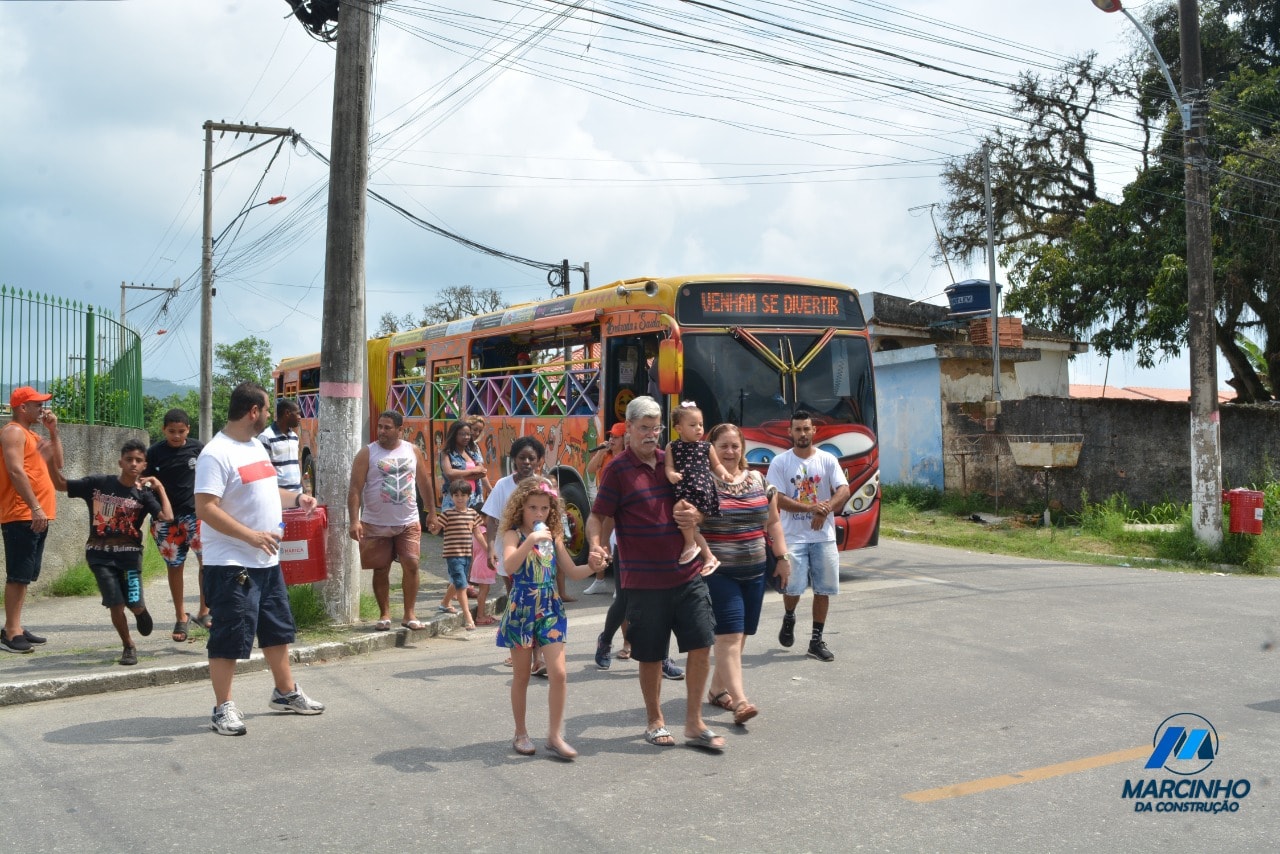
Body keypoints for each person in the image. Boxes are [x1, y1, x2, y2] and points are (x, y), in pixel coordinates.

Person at [587, 395, 725, 752]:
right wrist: (595, 545)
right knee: (649, 654)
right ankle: (655, 720)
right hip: (644, 582)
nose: (651, 434)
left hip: (687, 574)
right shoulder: (618, 470)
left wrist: (697, 517)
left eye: (656, 428)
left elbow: (702, 501)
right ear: (629, 429)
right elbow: (598, 515)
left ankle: (694, 723)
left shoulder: (674, 459)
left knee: (702, 644)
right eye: (644, 428)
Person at [196, 382, 325, 736]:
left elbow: (266, 489)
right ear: (253, 411)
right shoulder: (215, 453)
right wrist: (250, 536)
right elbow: (205, 508)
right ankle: (222, 708)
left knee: (276, 630)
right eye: (266, 409)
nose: (268, 415)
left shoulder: (255, 446)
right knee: (229, 635)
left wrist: (296, 499)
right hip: (232, 563)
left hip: (266, 561)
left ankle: (285, 692)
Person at [498, 476, 596, 759]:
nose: (538, 514)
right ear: (521, 508)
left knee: (560, 673)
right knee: (521, 677)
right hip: (522, 607)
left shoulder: (554, 537)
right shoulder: (514, 535)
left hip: (550, 607)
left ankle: (554, 736)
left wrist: (594, 566)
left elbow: (573, 572)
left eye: (544, 508)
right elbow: (509, 565)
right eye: (532, 508)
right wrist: (530, 540)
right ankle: (521, 732)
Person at [700, 423, 790, 725]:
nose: (729, 451)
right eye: (723, 446)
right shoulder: (703, 482)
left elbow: (773, 522)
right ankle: (740, 701)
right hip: (718, 573)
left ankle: (717, 690)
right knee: (729, 636)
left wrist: (782, 558)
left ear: (742, 449)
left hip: (755, 572)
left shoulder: (758, 480)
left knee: (742, 635)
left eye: (735, 446)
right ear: (712, 449)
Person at [62, 439, 173, 665]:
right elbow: (61, 484)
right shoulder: (99, 484)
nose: (133, 464)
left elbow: (167, 517)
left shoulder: (143, 495)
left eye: (139, 460)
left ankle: (140, 611)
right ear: (120, 462)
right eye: (129, 459)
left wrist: (159, 488)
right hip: (99, 556)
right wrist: (50, 454)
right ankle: (128, 645)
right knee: (116, 603)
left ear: (144, 465)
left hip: (130, 557)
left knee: (134, 604)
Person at [766, 409, 851, 663]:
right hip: (793, 537)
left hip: (823, 537)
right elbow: (777, 497)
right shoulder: (780, 462)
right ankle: (789, 616)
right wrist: (810, 509)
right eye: (798, 429)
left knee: (823, 590)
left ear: (814, 431)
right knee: (792, 588)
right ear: (790, 432)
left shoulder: (827, 460)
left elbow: (844, 490)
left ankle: (816, 640)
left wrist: (825, 509)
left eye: (806, 429)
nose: (802, 433)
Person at [348, 410, 438, 632]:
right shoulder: (367, 453)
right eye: (380, 426)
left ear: (400, 430)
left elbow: (424, 483)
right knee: (381, 569)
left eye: (387, 427)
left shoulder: (412, 451)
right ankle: (384, 614)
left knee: (412, 564)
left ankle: (409, 614)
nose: (382, 431)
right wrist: (354, 521)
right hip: (375, 523)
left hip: (408, 521)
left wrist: (432, 512)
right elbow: (355, 488)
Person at [1, 386, 63, 654]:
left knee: (25, 575)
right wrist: (35, 507)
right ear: (22, 407)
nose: (42, 408)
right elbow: (15, 470)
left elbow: (58, 464)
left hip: (37, 514)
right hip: (22, 513)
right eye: (37, 404)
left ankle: (14, 625)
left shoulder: (34, 435)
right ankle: (10, 632)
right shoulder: (13, 432)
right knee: (18, 575)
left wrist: (53, 432)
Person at [146, 407, 211, 642]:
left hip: (196, 516)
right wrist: (157, 512)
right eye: (171, 431)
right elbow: (145, 485)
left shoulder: (198, 449)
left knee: (207, 563)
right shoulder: (154, 453)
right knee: (175, 567)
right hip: (167, 521)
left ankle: (204, 611)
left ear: (188, 430)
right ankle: (180, 616)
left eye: (181, 431)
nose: (176, 436)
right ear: (163, 429)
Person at [664, 401, 729, 569]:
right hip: (684, 488)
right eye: (693, 425)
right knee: (691, 525)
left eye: (701, 424)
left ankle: (689, 544)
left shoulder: (707, 446)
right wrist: (671, 474)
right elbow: (668, 466)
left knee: (680, 510)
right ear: (679, 428)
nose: (699, 428)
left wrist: (724, 474)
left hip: (701, 489)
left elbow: (717, 465)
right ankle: (709, 557)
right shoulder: (672, 446)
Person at [438, 418, 490, 609]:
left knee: (471, 545)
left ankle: (463, 583)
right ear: (454, 435)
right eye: (463, 434)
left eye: (469, 434)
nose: (467, 437)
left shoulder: (472, 451)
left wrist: (476, 474)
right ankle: (456, 584)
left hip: (474, 501)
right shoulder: (447, 453)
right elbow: (450, 473)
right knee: (456, 547)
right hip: (454, 503)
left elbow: (482, 472)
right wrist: (473, 472)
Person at [428, 479, 486, 630]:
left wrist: (488, 550)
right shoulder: (447, 514)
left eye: (463, 495)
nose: (460, 498)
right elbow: (436, 531)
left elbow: (478, 534)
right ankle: (468, 618)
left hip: (467, 554)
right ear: (451, 497)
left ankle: (445, 603)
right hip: (452, 555)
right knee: (462, 585)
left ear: (469, 496)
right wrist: (432, 527)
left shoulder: (473, 514)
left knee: (458, 581)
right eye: (456, 495)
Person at [582, 422, 626, 595]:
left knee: (616, 543)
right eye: (611, 436)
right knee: (600, 540)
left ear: (625, 439)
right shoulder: (606, 455)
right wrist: (600, 452)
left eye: (616, 437)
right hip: (605, 503)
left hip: (620, 504)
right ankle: (599, 580)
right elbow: (590, 470)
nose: (612, 439)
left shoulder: (627, 457)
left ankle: (618, 586)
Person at [258, 397, 303, 494]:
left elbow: (297, 463)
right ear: (287, 413)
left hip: (297, 494)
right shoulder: (266, 437)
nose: (300, 417)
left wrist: (304, 488)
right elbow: (261, 471)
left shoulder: (294, 437)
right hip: (277, 495)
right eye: (297, 413)